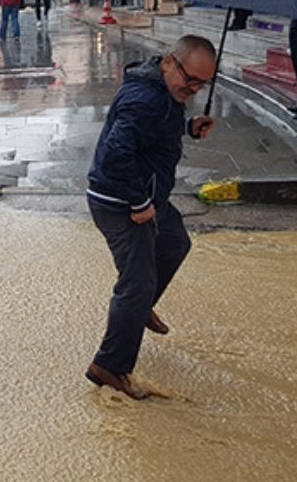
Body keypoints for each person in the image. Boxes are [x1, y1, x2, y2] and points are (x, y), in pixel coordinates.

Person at [84, 36, 217, 400]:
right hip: (120, 200)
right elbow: (115, 155)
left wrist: (188, 127)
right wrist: (139, 203)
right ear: (170, 63)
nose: (192, 90)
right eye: (190, 80)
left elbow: (157, 128)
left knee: (175, 242)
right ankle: (110, 367)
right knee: (138, 282)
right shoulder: (144, 99)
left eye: (201, 85)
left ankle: (138, 310)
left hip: (148, 195)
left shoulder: (165, 93)